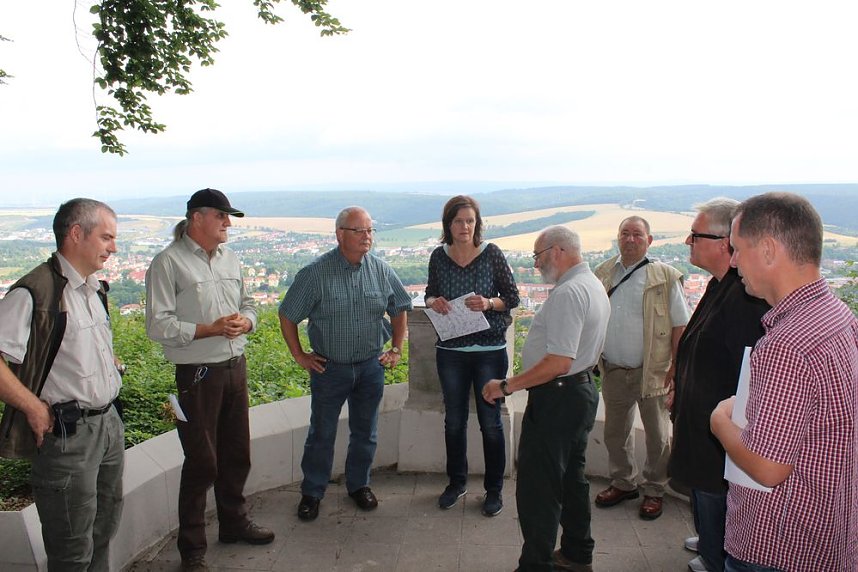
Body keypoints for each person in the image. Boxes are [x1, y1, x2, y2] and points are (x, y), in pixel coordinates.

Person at [710, 192, 858, 572]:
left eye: (738, 249)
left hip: (779, 544)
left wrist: (720, 422)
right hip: (826, 534)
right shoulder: (837, 314)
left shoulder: (786, 345)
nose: (734, 261)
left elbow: (767, 468)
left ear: (769, 250)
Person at [145, 188, 274, 572]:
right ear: (197, 218)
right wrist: (209, 329)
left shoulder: (231, 258)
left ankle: (233, 524)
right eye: (221, 216)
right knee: (201, 462)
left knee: (237, 454)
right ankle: (192, 550)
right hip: (197, 375)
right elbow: (157, 324)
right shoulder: (167, 263)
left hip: (236, 368)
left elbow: (250, 303)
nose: (227, 224)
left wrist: (245, 321)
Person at [0, 198, 125, 571]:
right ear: (75, 234)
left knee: (103, 530)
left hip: (107, 426)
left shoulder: (92, 290)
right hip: (68, 437)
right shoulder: (35, 292)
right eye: (106, 237)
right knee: (71, 546)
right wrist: (33, 406)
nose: (113, 247)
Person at [483, 225, 610, 572]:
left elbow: (558, 361)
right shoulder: (592, 284)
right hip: (578, 393)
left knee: (539, 488)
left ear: (557, 251)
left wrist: (507, 386)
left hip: (559, 397)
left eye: (538, 256)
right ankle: (576, 553)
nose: (537, 265)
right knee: (571, 479)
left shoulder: (570, 293)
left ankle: (535, 565)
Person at [279, 206, 412, 522]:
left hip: (370, 366)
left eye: (370, 231)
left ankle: (359, 485)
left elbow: (400, 307)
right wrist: (300, 355)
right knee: (322, 433)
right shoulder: (315, 274)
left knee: (366, 432)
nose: (367, 237)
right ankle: (312, 492)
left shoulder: (381, 270)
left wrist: (396, 347)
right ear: (340, 234)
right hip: (330, 368)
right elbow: (288, 315)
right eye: (359, 231)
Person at [668, 198, 769, 572]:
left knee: (713, 490)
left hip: (720, 420)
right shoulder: (720, 285)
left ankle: (715, 555)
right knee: (703, 488)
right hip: (701, 412)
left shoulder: (743, 296)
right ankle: (711, 539)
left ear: (725, 242)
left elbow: (744, 372)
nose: (687, 241)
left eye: (695, 235)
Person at [424, 195, 520, 517]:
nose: (464, 227)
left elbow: (512, 298)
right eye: (458, 221)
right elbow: (430, 291)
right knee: (454, 422)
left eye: (470, 220)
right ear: (448, 225)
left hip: (489, 351)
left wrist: (488, 303)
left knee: (491, 423)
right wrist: (433, 300)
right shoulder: (439, 257)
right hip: (450, 350)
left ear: (477, 223)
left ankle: (494, 490)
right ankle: (456, 483)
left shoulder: (492, 254)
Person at [593, 215, 690, 520]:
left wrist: (675, 365)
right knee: (614, 433)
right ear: (617, 238)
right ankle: (623, 482)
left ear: (649, 241)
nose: (630, 239)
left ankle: (654, 490)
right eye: (625, 233)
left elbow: (679, 326)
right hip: (614, 369)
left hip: (654, 371)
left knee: (657, 436)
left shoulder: (665, 277)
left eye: (638, 234)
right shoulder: (604, 272)